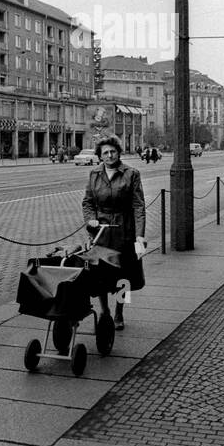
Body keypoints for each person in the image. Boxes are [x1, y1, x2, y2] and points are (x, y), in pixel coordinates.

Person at [81, 134, 145, 331]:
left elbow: (138, 206)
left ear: (119, 152)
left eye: (113, 151)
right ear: (100, 155)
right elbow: (88, 202)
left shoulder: (131, 173)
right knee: (99, 273)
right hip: (100, 232)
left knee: (123, 276)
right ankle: (104, 311)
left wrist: (140, 236)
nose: (109, 155)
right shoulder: (94, 174)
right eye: (105, 152)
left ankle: (119, 311)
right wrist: (90, 219)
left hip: (124, 230)